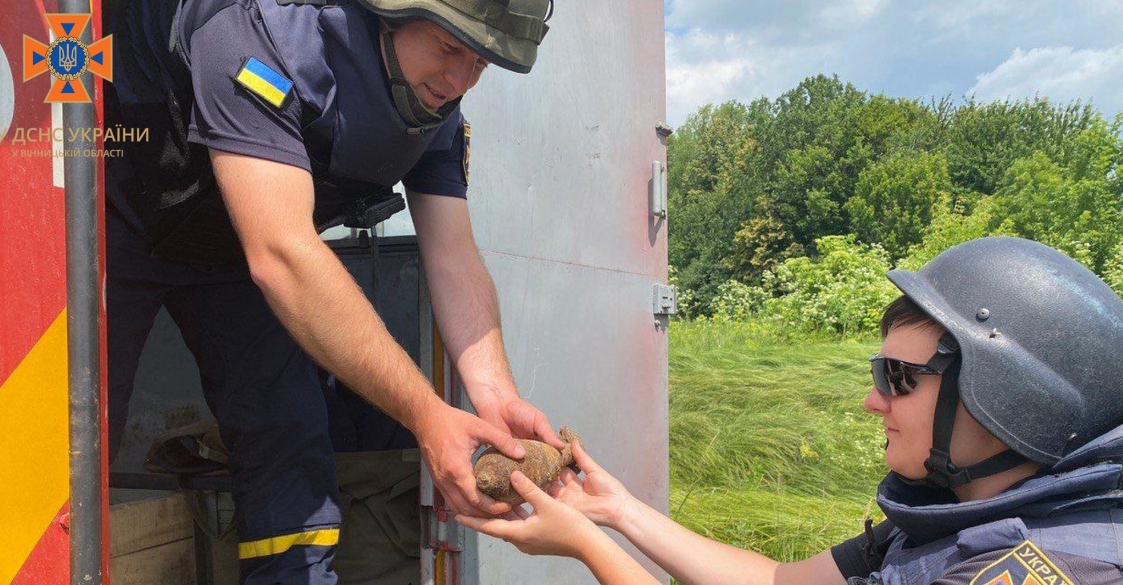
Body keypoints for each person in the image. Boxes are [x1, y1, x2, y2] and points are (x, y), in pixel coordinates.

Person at [102, 0, 561, 583]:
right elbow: (283, 254)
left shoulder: (438, 107)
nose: (459, 80)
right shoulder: (256, 32)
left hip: (235, 252)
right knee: (77, 424)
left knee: (287, 432)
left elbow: (453, 255)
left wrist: (497, 398)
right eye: (450, 50)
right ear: (388, 14)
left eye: (481, 64)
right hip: (111, 218)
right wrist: (428, 416)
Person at [460, 236, 1123, 585]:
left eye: (899, 378)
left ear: (1008, 401)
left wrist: (580, 543)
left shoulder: (1047, 572)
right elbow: (777, 579)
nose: (873, 401)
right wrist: (614, 509)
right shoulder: (957, 512)